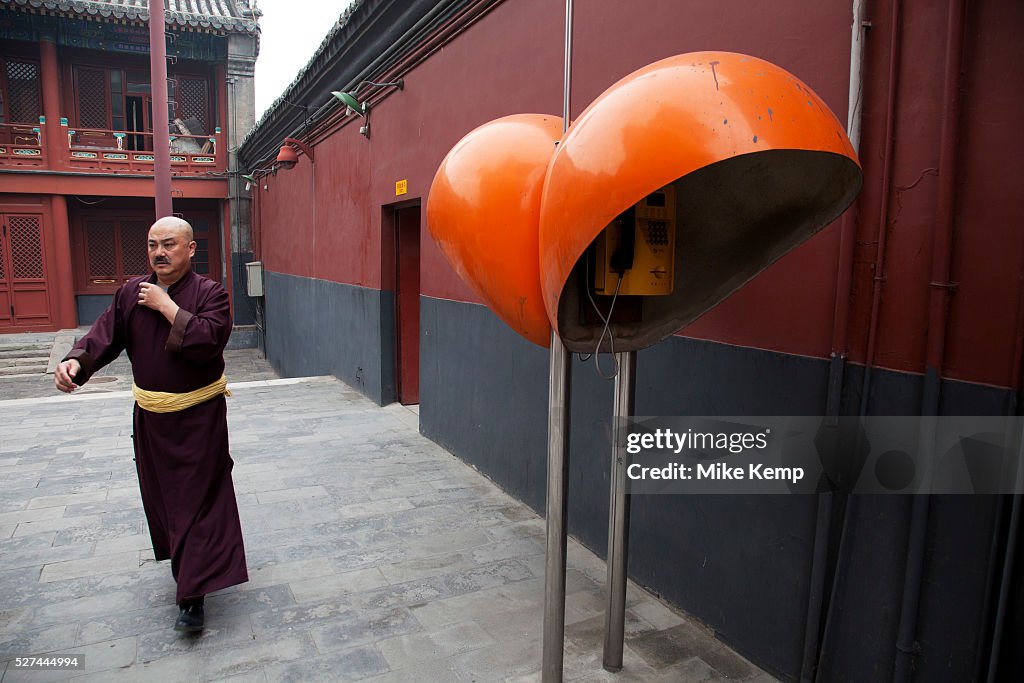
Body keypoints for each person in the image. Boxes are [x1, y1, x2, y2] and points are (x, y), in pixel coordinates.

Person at [55, 216, 248, 633]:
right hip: (152, 421)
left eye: (169, 244)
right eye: (152, 245)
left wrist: (168, 307)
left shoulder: (211, 294)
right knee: (166, 499)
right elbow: (103, 336)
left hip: (199, 419)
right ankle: (187, 569)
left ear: (191, 249)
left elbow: (209, 342)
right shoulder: (130, 293)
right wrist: (77, 360)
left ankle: (192, 597)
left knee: (198, 500)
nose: (159, 252)